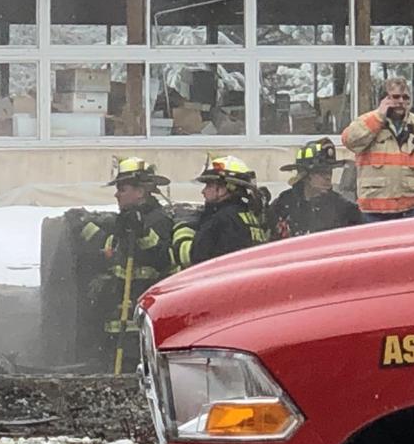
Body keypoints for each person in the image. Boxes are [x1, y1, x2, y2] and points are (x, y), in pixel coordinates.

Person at [75, 157, 175, 373]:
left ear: (140, 192)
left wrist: (141, 234)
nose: (116, 194)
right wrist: (83, 227)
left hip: (138, 320)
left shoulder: (158, 220)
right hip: (117, 316)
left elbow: (161, 259)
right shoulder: (123, 219)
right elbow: (113, 251)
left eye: (122, 188)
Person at [341, 76, 414, 221]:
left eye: (406, 98)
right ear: (383, 100)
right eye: (395, 97)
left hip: (411, 209)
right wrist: (379, 117)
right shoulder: (367, 122)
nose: (401, 102)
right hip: (373, 211)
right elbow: (349, 140)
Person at [172, 155, 269, 267]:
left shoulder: (222, 220)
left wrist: (182, 228)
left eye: (209, 185)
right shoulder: (248, 216)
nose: (203, 191)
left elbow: (193, 257)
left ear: (223, 189)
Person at [268, 138, 363, 239]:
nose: (328, 177)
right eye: (322, 172)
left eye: (330, 171)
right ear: (305, 176)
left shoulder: (344, 209)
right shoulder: (283, 204)